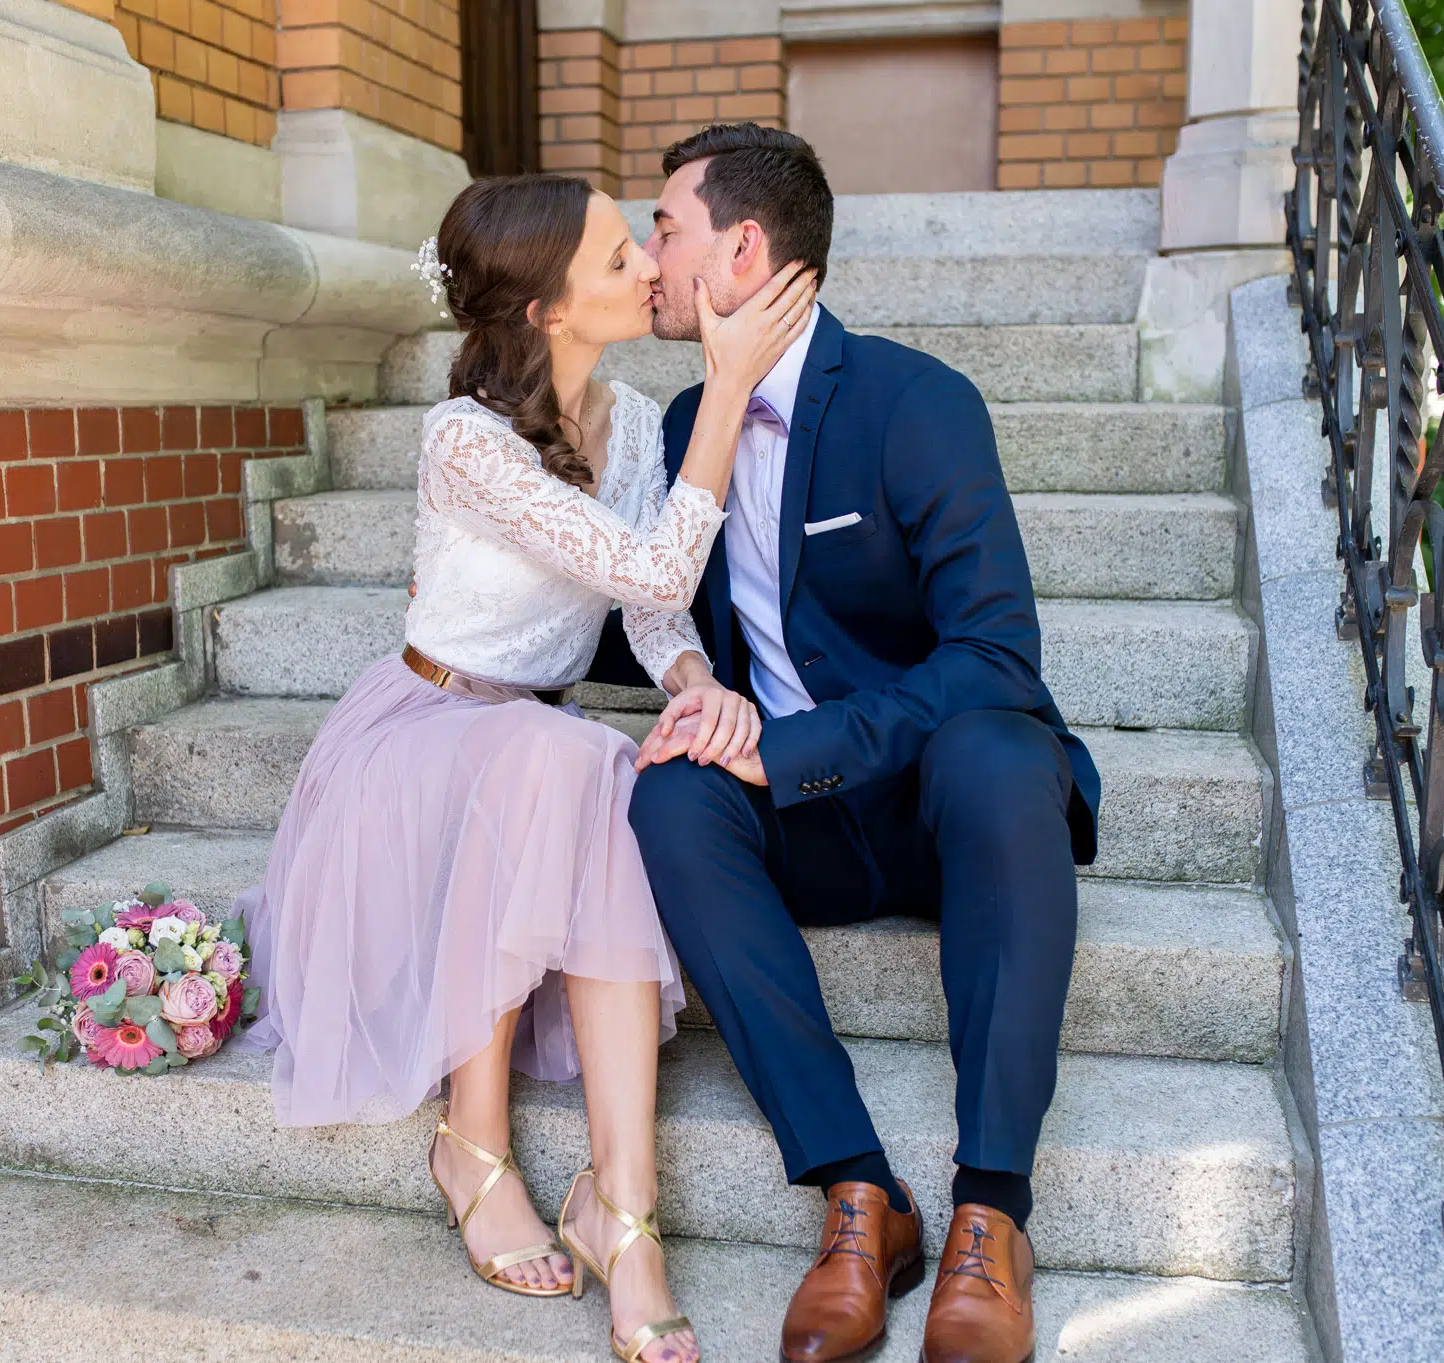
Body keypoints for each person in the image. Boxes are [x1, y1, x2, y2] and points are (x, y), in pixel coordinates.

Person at [230, 171, 816, 1363]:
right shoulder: (464, 441)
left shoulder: (635, 422)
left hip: (519, 748)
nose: (650, 270)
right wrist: (729, 392)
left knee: (580, 760)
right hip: (416, 738)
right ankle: (472, 1139)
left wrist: (695, 685)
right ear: (547, 310)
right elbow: (654, 568)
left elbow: (651, 612)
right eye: (617, 260)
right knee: (561, 758)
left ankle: (625, 1208)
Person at [592, 123, 1102, 1363]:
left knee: (997, 747)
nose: (649, 254)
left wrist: (797, 743)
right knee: (665, 794)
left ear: (742, 247)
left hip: (930, 804)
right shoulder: (676, 431)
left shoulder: (912, 402)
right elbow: (644, 617)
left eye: (665, 228)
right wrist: (701, 689)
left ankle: (992, 1210)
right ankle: (858, 1195)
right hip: (795, 831)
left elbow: (994, 651)